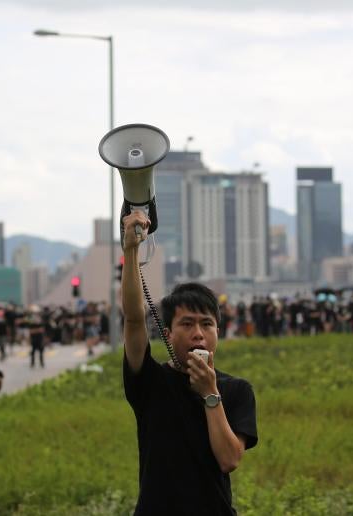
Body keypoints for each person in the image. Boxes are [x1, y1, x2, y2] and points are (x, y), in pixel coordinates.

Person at [121, 211, 258, 515]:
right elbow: (133, 318)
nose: (198, 334)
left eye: (206, 324)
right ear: (168, 333)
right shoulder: (149, 380)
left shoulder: (236, 390)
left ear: (217, 333)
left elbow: (229, 459)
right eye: (187, 324)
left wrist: (210, 393)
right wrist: (130, 250)